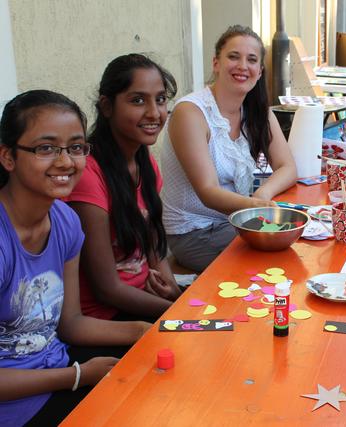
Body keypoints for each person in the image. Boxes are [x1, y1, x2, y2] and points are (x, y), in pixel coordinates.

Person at [0, 90, 149, 426]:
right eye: (46, 148)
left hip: (59, 369)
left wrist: (144, 330)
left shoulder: (65, 221)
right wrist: (77, 376)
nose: (66, 161)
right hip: (16, 409)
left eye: (76, 147)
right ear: (8, 157)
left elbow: (70, 323)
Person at [160, 25, 297, 273]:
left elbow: (287, 167)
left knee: (298, 244)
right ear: (216, 63)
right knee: (279, 262)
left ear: (260, 71)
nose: (243, 66)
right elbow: (208, 192)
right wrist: (256, 206)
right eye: (234, 57)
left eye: (251, 60)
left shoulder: (256, 110)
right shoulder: (190, 112)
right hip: (195, 231)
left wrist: (263, 194)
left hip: (234, 219)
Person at [66, 54, 181, 321]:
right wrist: (180, 314)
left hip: (147, 299)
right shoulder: (89, 175)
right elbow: (107, 289)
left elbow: (154, 248)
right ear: (107, 106)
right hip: (109, 318)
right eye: (138, 100)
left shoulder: (146, 164)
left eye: (160, 99)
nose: (154, 113)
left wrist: (176, 294)